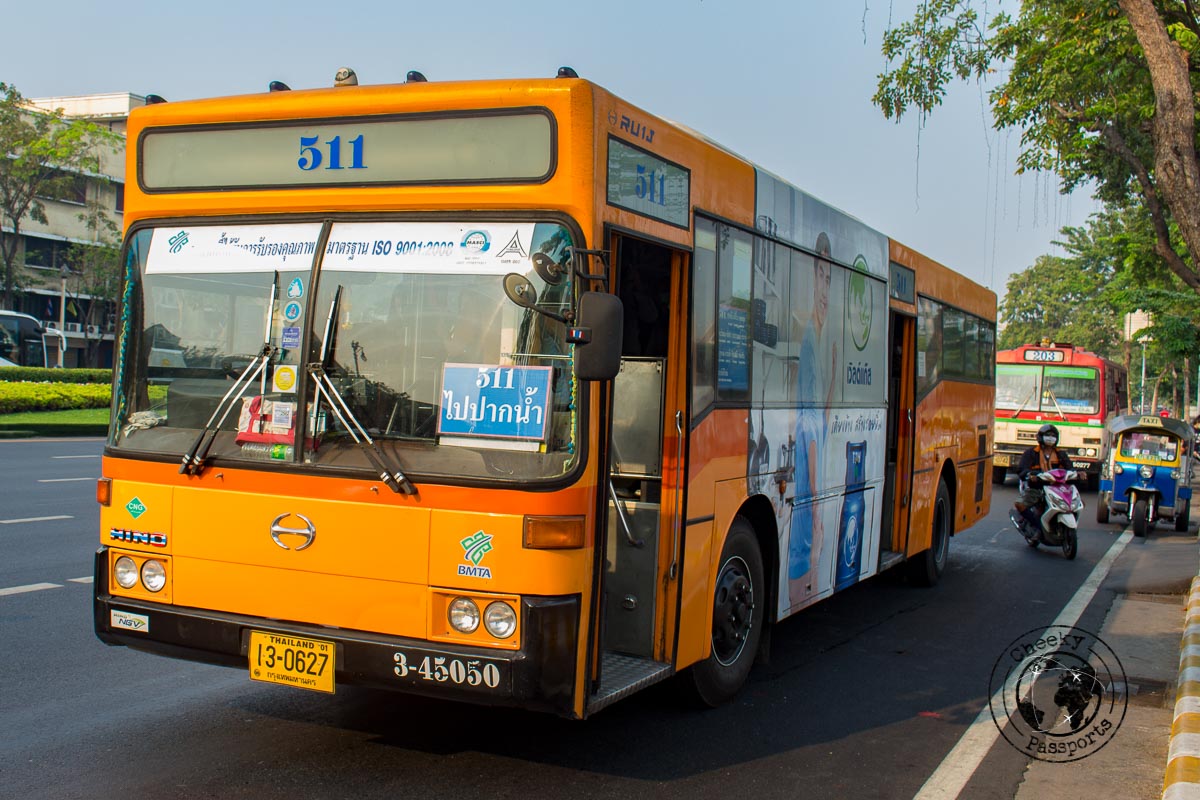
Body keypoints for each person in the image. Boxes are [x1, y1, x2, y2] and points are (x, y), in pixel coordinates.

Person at [1012, 423, 1072, 538]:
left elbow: (1070, 468)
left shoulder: (1061, 454)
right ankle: (1037, 527)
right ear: (1040, 437)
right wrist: (1030, 475)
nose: (1050, 438)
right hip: (1037, 487)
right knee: (1020, 504)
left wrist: (1079, 473)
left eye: (1053, 436)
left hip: (1058, 488)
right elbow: (1021, 470)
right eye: (1048, 435)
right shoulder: (1031, 453)